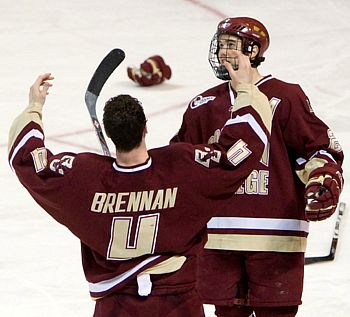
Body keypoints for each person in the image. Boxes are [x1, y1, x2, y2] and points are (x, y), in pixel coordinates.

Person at [8, 52, 272, 317]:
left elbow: (28, 162)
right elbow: (239, 152)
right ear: (146, 127)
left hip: (116, 308)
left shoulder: (85, 178)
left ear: (110, 135)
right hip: (178, 306)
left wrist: (34, 107)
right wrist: (247, 91)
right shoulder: (181, 166)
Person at [171, 17, 344, 317]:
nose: (222, 53)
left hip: (277, 234)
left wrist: (322, 179)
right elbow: (181, 162)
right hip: (218, 236)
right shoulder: (203, 104)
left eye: (230, 46)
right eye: (220, 45)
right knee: (227, 313)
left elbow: (317, 149)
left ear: (252, 51)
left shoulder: (285, 97)